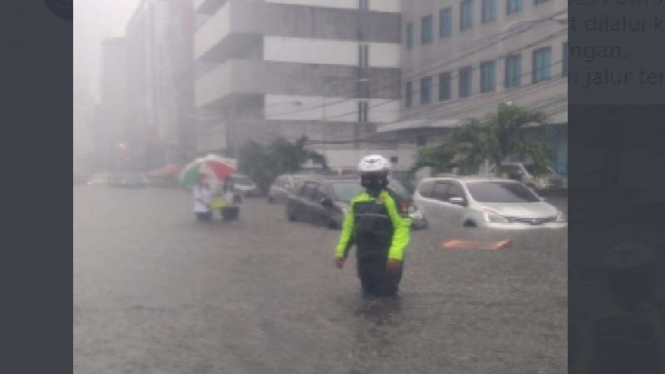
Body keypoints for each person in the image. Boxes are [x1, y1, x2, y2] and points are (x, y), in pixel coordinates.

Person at [573, 240, 664, 374]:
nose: (624, 287)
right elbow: (587, 361)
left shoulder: (658, 316)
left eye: (632, 279)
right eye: (619, 280)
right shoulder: (599, 319)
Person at [334, 154, 412, 297]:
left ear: (386, 176)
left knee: (388, 299)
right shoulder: (357, 201)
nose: (371, 180)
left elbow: (402, 228)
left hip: (386, 258)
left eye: (376, 176)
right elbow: (349, 228)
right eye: (366, 176)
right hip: (364, 257)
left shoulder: (395, 200)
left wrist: (395, 256)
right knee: (366, 295)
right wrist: (341, 252)